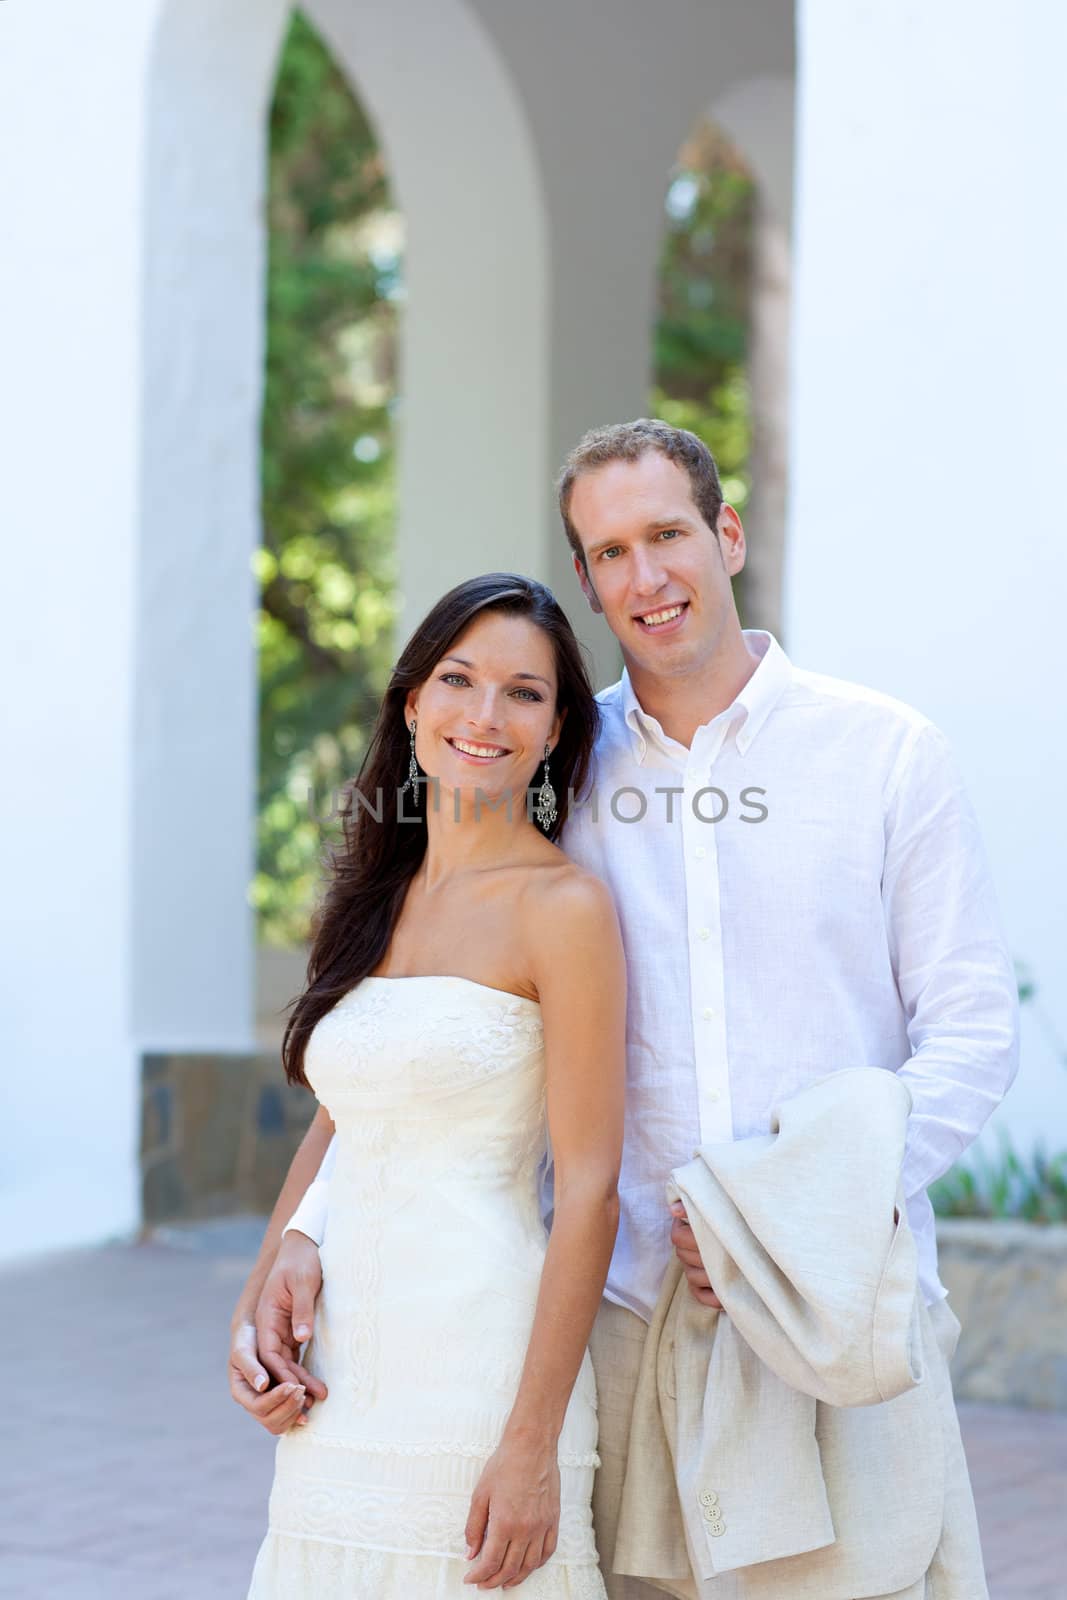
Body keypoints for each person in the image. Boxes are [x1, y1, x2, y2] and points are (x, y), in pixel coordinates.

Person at [233, 421, 1019, 1597]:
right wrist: (304, 1228)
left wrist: (798, 1211)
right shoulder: (558, 771)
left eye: (666, 535)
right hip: (616, 1317)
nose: (643, 577)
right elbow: (438, 1039)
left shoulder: (883, 754)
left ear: (727, 534)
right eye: (607, 553)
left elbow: (970, 1029)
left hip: (827, 1308)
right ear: (588, 580)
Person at [239, 572, 627, 1598]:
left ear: (554, 731)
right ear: (412, 704)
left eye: (523, 692)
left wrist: (530, 1442)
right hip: (343, 1378)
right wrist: (258, 1301)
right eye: (457, 679)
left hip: (481, 1372)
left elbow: (588, 1188)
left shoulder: (565, 908)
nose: (483, 715)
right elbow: (343, 1118)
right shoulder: (372, 896)